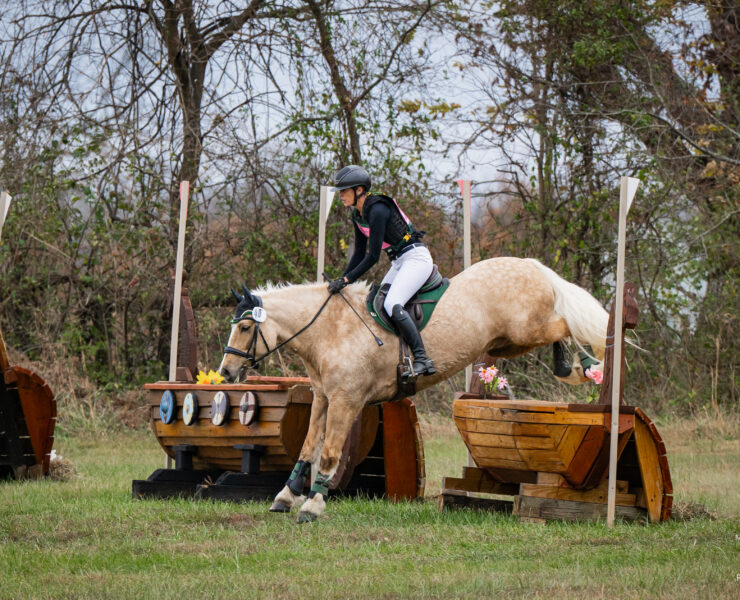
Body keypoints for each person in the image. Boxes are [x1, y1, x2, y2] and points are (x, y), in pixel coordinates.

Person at [327, 165, 436, 377]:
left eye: (344, 191)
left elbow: (373, 257)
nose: (340, 196)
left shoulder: (377, 210)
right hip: (399, 262)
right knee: (376, 301)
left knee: (391, 303)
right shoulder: (358, 215)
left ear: (359, 190)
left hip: (416, 258)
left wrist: (348, 279)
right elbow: (359, 253)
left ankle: (423, 359)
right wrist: (341, 279)